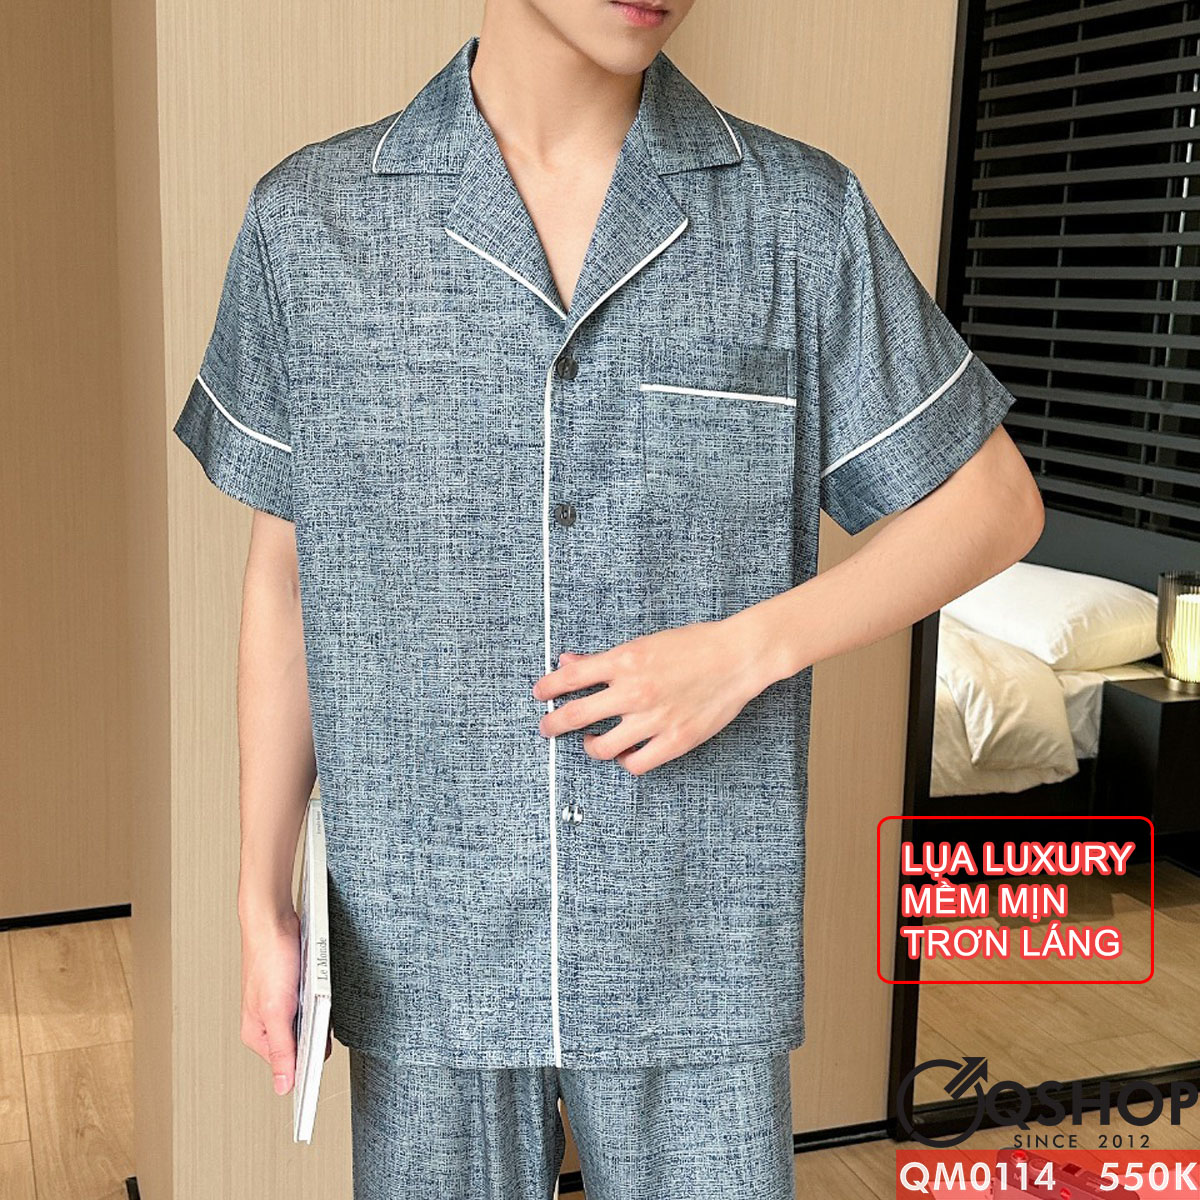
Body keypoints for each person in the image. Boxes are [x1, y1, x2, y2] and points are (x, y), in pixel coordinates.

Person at [173, 0, 1045, 1196]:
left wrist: (748, 649)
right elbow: (288, 571)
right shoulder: (310, 224)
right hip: (423, 921)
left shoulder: (798, 218)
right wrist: (259, 897)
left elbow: (995, 504)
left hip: (692, 923)